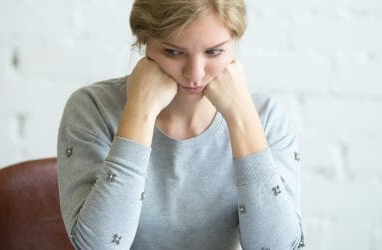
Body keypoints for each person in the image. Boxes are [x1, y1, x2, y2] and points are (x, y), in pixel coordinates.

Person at [57, 0, 304, 249]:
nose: (195, 74)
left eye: (214, 52)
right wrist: (140, 112)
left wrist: (241, 118)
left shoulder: (265, 116)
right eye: (174, 52)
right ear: (145, 42)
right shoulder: (93, 108)